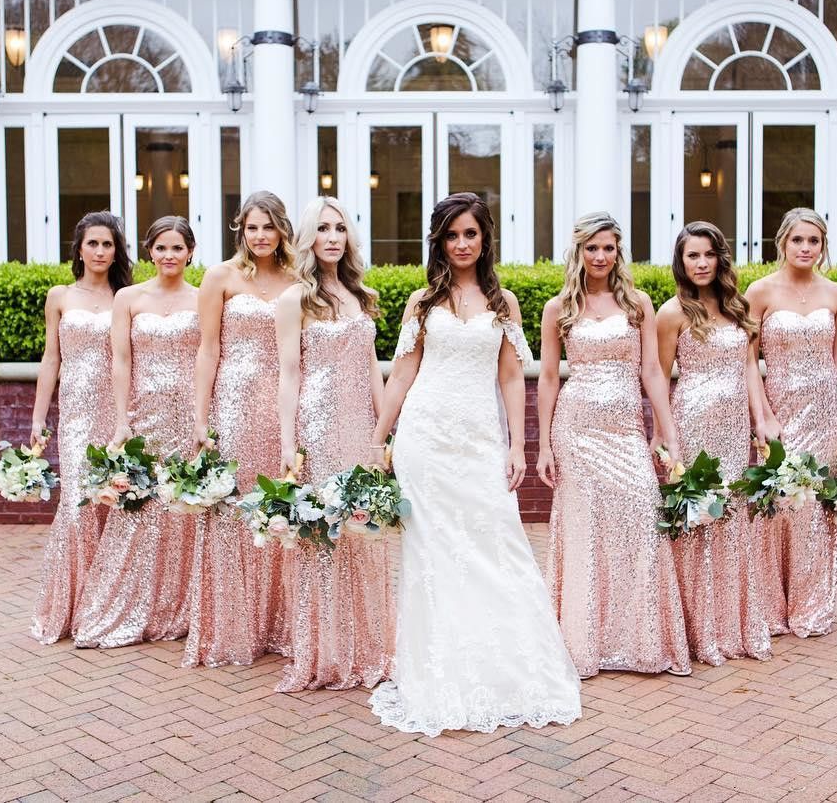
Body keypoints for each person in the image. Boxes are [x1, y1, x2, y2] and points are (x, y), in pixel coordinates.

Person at [368, 192, 581, 737]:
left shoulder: (503, 301)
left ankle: (506, 669)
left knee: (499, 545)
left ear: (485, 239)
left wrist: (516, 445)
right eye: (452, 235)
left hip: (481, 439)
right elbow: (401, 375)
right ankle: (441, 672)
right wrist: (379, 439)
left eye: (471, 234)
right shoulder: (422, 301)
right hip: (426, 437)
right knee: (434, 554)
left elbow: (512, 376)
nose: (461, 244)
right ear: (438, 241)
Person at [538, 212, 690, 677]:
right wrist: (543, 444)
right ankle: (584, 643)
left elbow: (652, 372)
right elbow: (547, 377)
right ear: (578, 251)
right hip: (576, 429)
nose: (600, 256)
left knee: (641, 518)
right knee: (584, 531)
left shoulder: (639, 304)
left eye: (608, 247)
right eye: (592, 248)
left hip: (625, 430)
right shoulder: (558, 307)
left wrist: (668, 434)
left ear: (618, 251)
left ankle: (639, 641)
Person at [273, 197, 394, 690]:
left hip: (359, 423)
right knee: (321, 536)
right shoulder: (294, 299)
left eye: (340, 228)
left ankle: (366, 645)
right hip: (317, 424)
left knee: (363, 535)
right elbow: (288, 373)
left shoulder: (360, 295)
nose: (332, 237)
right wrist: (288, 443)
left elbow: (372, 370)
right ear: (308, 237)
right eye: (322, 228)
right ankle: (321, 651)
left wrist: (384, 433)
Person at [73, 216, 200, 648]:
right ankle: (126, 602)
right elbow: (121, 360)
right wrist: (122, 418)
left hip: (187, 416)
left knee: (182, 506)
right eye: (161, 248)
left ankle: (179, 606)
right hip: (144, 416)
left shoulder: (204, 299)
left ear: (190, 253)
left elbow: (210, 358)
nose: (169, 256)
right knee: (138, 507)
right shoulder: (128, 297)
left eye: (177, 248)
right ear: (149, 252)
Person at [184, 192, 296, 667]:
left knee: (280, 507)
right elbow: (208, 349)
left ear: (282, 230)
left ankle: (281, 622)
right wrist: (200, 416)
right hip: (234, 402)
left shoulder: (297, 279)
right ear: (240, 230)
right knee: (235, 509)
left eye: (268, 227)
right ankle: (233, 623)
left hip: (282, 403)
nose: (260, 236)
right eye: (252, 227)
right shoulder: (221, 277)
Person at [656, 221, 772, 664]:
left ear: (720, 258)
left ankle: (731, 623)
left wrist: (760, 419)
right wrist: (666, 439)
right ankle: (696, 629)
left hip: (731, 426)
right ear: (681, 263)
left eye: (708, 255)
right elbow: (659, 377)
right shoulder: (673, 313)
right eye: (692, 256)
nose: (701, 263)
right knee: (697, 519)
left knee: (731, 518)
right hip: (693, 422)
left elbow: (749, 369)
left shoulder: (739, 308)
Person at [746, 208, 837, 638]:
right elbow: (747, 362)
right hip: (781, 411)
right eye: (798, 240)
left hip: (828, 409)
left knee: (816, 508)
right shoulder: (759, 292)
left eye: (814, 241)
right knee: (777, 505)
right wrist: (762, 415)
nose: (806, 248)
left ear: (822, 246)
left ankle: (812, 604)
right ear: (782, 242)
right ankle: (772, 604)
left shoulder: (835, 294)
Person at [30, 212, 133, 644]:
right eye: (92, 243)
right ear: (78, 248)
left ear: (117, 251)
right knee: (77, 504)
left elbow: (132, 359)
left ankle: (103, 605)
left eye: (107, 245)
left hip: (116, 410)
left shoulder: (126, 297)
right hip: (75, 413)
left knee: (113, 504)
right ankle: (69, 605)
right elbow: (51, 359)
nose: (100, 252)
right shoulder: (60, 295)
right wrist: (38, 417)